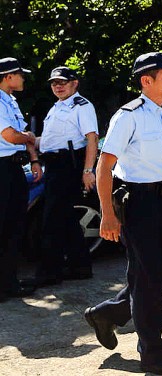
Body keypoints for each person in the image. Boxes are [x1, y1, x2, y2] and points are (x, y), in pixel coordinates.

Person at [83, 52, 162, 375]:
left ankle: (108, 313)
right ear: (146, 81)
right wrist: (107, 213)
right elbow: (104, 166)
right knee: (147, 277)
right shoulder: (128, 116)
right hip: (138, 203)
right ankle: (153, 352)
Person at [35, 66, 99, 286]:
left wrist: (88, 171)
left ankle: (49, 273)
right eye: (54, 83)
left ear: (75, 83)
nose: (58, 86)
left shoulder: (82, 106)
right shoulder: (57, 107)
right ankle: (80, 266)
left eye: (63, 82)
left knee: (52, 219)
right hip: (54, 164)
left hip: (68, 165)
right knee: (66, 218)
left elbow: (92, 139)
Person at [0, 57, 42, 301]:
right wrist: (28, 137)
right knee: (3, 225)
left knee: (14, 225)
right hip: (2, 169)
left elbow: (23, 138)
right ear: (8, 77)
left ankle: (9, 282)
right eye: (20, 74)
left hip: (14, 168)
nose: (23, 78)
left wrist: (34, 159)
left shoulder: (11, 101)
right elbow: (12, 136)